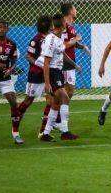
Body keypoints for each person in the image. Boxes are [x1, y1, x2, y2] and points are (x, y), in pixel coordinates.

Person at [39, 13, 81, 142]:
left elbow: (62, 54)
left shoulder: (57, 39)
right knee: (65, 98)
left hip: (57, 72)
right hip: (52, 72)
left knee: (56, 104)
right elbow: (46, 62)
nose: (67, 24)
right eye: (65, 22)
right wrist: (47, 83)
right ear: (62, 24)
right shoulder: (51, 39)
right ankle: (65, 131)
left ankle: (46, 133)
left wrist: (75, 65)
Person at [16, 15, 52, 135]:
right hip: (36, 74)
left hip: (48, 73)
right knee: (28, 100)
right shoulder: (36, 40)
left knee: (50, 100)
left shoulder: (52, 38)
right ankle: (16, 121)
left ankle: (43, 131)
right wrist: (39, 64)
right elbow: (28, 56)